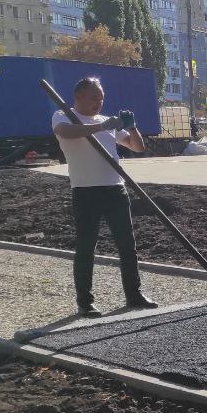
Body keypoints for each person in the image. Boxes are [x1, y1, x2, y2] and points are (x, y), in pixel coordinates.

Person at [52, 77, 158, 318]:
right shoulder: (63, 116)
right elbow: (66, 133)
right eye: (93, 98)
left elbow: (137, 147)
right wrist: (101, 127)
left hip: (115, 189)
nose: (98, 103)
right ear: (78, 97)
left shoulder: (106, 121)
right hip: (85, 191)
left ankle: (134, 295)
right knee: (86, 247)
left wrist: (132, 127)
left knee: (127, 246)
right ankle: (85, 302)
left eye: (101, 98)